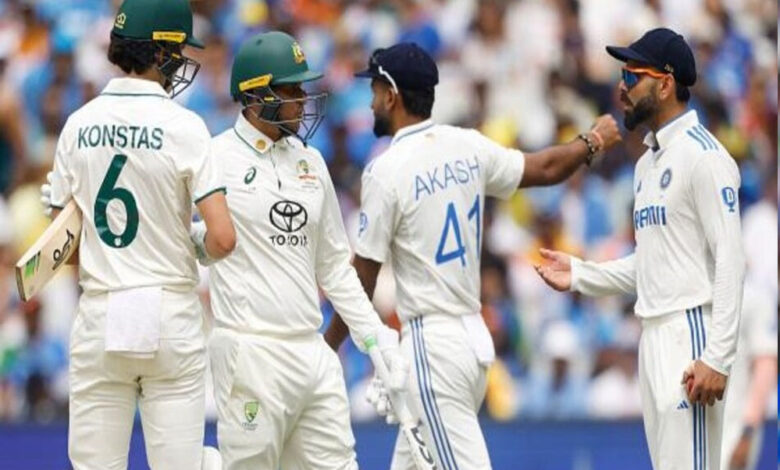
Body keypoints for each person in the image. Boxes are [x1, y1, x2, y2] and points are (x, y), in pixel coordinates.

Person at [324, 42, 621, 470]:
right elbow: (546, 168)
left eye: (374, 91)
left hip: (431, 350)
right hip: (470, 341)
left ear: (391, 95)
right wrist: (592, 140)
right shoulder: (466, 145)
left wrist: (326, 348)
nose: (370, 103)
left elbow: (362, 281)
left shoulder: (384, 171)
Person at [534, 28, 745, 470]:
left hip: (691, 333)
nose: (621, 87)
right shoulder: (646, 164)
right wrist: (581, 274)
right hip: (654, 337)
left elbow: (731, 257)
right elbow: (651, 263)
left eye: (632, 76)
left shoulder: (705, 157)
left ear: (665, 85)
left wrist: (717, 357)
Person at [199, 31, 405, 470]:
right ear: (256, 96)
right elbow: (181, 239)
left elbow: (334, 268)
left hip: (312, 353)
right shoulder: (213, 158)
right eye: (291, 90)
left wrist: (377, 340)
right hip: (249, 353)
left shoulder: (311, 161)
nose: (302, 100)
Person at [44, 0, 236, 468]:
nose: (181, 63)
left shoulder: (78, 124)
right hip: (170, 313)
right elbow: (223, 239)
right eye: (178, 52)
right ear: (161, 53)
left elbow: (62, 253)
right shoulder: (186, 126)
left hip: (101, 310)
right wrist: (194, 244)